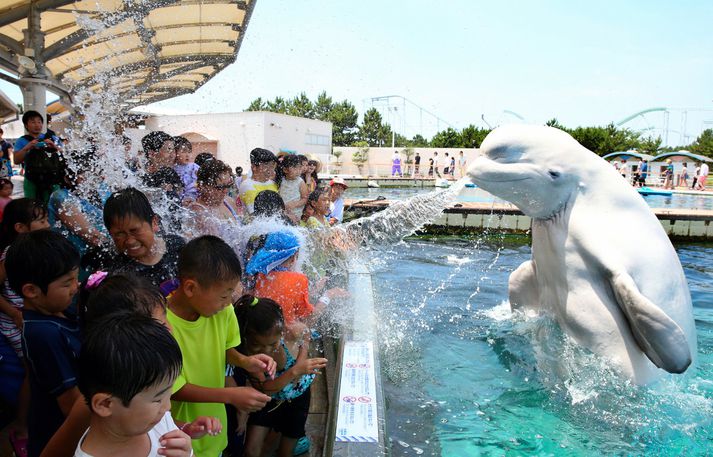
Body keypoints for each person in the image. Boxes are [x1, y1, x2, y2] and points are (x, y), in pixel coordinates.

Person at [166, 235, 274, 457]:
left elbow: (225, 351)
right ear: (190, 287)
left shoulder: (222, 311)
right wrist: (231, 395)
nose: (228, 303)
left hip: (214, 429)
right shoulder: (161, 325)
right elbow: (174, 389)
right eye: (224, 296)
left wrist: (245, 361)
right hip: (180, 435)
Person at [75, 313, 209, 457]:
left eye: (168, 393)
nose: (167, 407)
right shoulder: (149, 420)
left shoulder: (156, 421)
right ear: (106, 404)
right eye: (158, 399)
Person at [5, 230, 81, 457]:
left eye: (76, 278)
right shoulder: (43, 334)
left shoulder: (60, 310)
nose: (76, 287)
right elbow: (71, 406)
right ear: (31, 291)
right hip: (63, 439)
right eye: (67, 283)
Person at [235, 295, 327, 457]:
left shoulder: (291, 331)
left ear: (282, 330)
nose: (266, 350)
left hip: (298, 397)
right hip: (269, 400)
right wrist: (296, 370)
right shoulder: (248, 355)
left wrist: (302, 357)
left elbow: (306, 332)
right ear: (247, 338)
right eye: (258, 345)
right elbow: (266, 388)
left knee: (285, 452)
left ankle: (278, 437)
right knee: (251, 450)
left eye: (272, 344)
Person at [0, 199, 49, 452]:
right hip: (15, 321)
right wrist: (14, 313)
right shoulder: (12, 254)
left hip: (36, 316)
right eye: (41, 221)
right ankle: (21, 427)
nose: (47, 225)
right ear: (20, 227)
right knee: (32, 370)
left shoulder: (41, 249)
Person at [246, 231, 344, 329]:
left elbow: (280, 295)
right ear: (293, 257)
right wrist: (328, 295)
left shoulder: (257, 275)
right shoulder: (299, 279)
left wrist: (313, 290)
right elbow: (308, 321)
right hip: (281, 339)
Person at [98, 187, 185, 287]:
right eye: (119, 234)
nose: (130, 241)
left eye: (135, 231)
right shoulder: (115, 271)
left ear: (154, 223)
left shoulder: (177, 246)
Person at [48, 151, 110, 260]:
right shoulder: (61, 197)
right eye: (85, 175)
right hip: (76, 261)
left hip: (103, 255)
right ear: (67, 178)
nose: (92, 179)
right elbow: (92, 237)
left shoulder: (102, 190)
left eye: (94, 173)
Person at [12, 111, 64, 203]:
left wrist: (54, 146)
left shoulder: (51, 138)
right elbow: (16, 160)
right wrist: (28, 147)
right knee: (32, 206)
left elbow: (64, 154)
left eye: (39, 122)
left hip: (52, 178)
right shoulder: (22, 141)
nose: (37, 125)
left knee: (55, 205)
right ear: (26, 125)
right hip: (31, 179)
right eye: (33, 122)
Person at [186, 159, 242, 236]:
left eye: (228, 186)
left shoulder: (229, 202)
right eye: (220, 187)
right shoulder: (198, 211)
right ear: (203, 186)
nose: (225, 191)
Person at [240, 148, 278, 214]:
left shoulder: (272, 183)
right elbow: (256, 215)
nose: (270, 169)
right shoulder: (247, 185)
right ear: (254, 167)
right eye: (266, 165)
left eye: (272, 165)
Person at [277, 155, 308, 223]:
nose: (298, 171)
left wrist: (295, 204)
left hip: (296, 214)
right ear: (285, 170)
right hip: (283, 212)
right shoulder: (280, 181)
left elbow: (305, 198)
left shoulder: (300, 182)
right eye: (294, 168)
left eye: (299, 168)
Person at [173, 136, 200, 202]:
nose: (187, 155)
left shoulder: (194, 167)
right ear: (174, 152)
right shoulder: (171, 169)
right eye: (183, 151)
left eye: (189, 151)